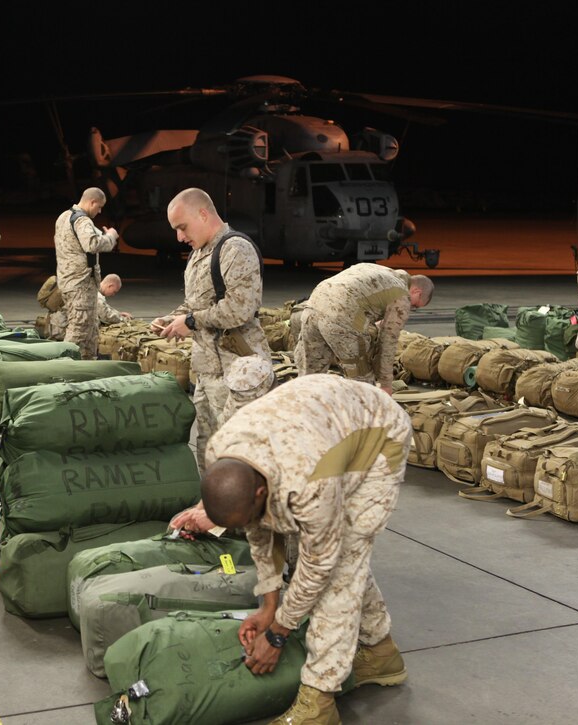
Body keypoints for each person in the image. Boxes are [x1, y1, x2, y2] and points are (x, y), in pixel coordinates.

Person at [200, 375, 411, 725]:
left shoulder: (309, 481)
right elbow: (258, 529)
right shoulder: (220, 451)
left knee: (342, 566)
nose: (250, 523)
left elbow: (320, 566)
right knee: (341, 562)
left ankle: (319, 700)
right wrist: (269, 604)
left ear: (259, 493)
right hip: (321, 425)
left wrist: (278, 634)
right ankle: (381, 652)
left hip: (378, 437)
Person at [154, 188, 271, 471]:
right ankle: (213, 509)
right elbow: (195, 304)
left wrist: (192, 322)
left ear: (203, 214)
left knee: (239, 455)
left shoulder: (234, 248)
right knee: (208, 449)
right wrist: (172, 319)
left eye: (182, 227)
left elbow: (240, 308)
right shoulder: (199, 254)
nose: (179, 237)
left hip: (239, 374)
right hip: (208, 374)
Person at [295, 264, 433, 393]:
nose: (412, 308)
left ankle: (300, 410)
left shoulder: (381, 272)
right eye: (416, 306)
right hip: (341, 315)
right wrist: (385, 383)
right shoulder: (402, 296)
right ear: (417, 292)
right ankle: (361, 415)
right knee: (363, 383)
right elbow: (388, 342)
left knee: (310, 376)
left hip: (312, 306)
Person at [54, 187, 119, 359]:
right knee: (79, 329)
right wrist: (111, 237)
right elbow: (92, 244)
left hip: (70, 282)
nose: (100, 211)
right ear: (93, 202)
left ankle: (87, 365)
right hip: (80, 285)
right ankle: (64, 368)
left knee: (90, 327)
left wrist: (102, 234)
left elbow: (80, 239)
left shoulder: (64, 217)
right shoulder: (82, 220)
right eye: (99, 207)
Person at [40, 273, 132, 341]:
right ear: (110, 286)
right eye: (114, 291)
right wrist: (122, 319)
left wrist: (118, 313)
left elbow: (104, 308)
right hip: (62, 331)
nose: (113, 295)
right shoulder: (95, 294)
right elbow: (106, 315)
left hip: (56, 326)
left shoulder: (91, 288)